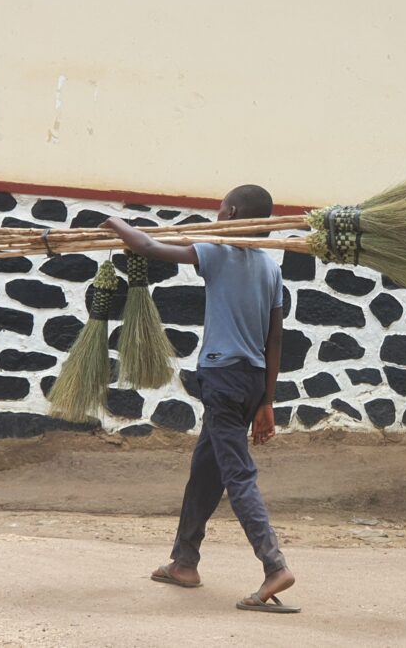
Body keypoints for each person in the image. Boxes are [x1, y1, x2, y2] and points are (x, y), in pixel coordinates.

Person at [100, 184, 298, 614]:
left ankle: (274, 565)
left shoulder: (217, 251)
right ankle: (184, 561)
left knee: (238, 474)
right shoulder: (270, 268)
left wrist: (113, 221)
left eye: (220, 209)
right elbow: (275, 338)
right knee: (206, 470)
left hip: (223, 379)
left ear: (229, 213)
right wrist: (267, 401)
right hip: (249, 383)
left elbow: (148, 245)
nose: (216, 214)